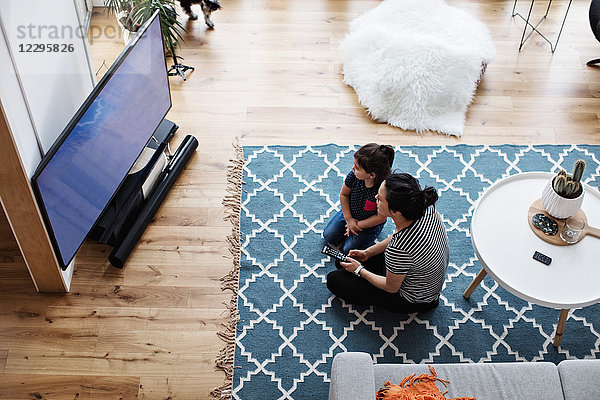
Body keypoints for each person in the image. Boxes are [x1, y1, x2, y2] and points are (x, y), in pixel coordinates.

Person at [326, 173, 449, 314]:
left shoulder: (399, 248)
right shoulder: (426, 208)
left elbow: (391, 287)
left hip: (412, 299)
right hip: (420, 271)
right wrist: (367, 253)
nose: (375, 198)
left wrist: (360, 270)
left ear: (395, 211)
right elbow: (399, 235)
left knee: (334, 280)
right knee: (342, 260)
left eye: (381, 199)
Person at [323, 143, 395, 255]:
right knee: (328, 236)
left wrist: (357, 225)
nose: (353, 168)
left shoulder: (384, 189)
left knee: (348, 250)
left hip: (369, 224)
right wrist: (349, 219)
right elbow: (344, 195)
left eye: (357, 168)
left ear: (371, 175)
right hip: (349, 214)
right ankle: (348, 228)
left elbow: (381, 217)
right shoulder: (353, 176)